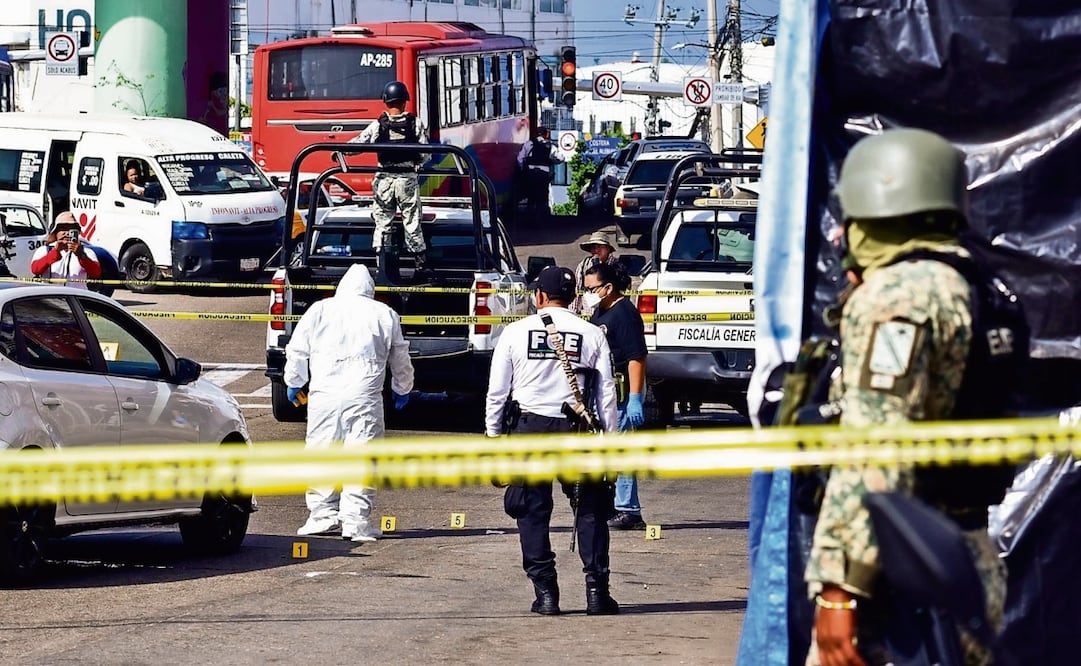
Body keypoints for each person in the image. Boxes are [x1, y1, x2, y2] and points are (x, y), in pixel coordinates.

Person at [804, 128, 1008, 666]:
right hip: (967, 559)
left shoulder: (898, 295)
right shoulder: (976, 281)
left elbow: (875, 450)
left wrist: (839, 587)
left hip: (897, 577)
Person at [485, 265, 620, 616]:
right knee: (590, 512)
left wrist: (494, 438)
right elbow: (607, 397)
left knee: (531, 512)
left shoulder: (515, 333)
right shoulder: (592, 334)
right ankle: (596, 593)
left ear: (539, 297)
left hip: (530, 431)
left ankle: (546, 594)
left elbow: (497, 393)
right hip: (577, 431)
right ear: (575, 296)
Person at [285, 263, 415, 542]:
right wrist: (402, 388)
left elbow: (297, 348)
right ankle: (355, 522)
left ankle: (321, 516)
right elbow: (400, 357)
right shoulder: (384, 314)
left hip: (324, 395)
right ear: (370, 290)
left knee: (321, 452)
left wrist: (294, 381)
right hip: (364, 396)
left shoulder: (320, 310)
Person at [584, 262, 649, 530]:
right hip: (605, 390)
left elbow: (636, 357)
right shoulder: (601, 310)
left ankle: (629, 510)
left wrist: (635, 396)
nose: (587, 293)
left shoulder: (625, 314)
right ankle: (611, 503)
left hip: (623, 391)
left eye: (592, 288)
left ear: (608, 287)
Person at [349, 80, 429, 268]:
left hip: (384, 179)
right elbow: (426, 152)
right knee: (412, 220)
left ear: (385, 102)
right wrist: (416, 162)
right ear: (404, 102)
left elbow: (359, 143)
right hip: (407, 178)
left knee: (382, 220)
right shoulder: (415, 123)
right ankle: (419, 260)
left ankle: (382, 260)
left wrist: (340, 152)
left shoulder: (378, 124)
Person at [30, 211, 101, 289]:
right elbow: (35, 269)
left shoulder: (87, 251)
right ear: (56, 232)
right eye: (63, 229)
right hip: (51, 298)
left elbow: (96, 273)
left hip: (76, 299)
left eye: (70, 230)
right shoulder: (44, 250)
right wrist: (55, 253)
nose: (67, 233)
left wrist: (81, 255)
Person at [516, 127, 563, 220]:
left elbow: (520, 159)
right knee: (543, 197)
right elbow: (560, 158)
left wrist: (523, 169)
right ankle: (541, 217)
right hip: (543, 174)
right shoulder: (550, 146)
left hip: (531, 174)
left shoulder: (529, 144)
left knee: (531, 196)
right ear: (546, 134)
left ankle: (529, 216)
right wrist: (552, 161)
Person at [571, 231, 620, 315]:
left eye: (600, 247)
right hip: (588, 314)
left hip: (611, 313)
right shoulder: (583, 265)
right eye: (593, 247)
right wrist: (573, 314)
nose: (596, 250)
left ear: (608, 249)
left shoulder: (618, 267)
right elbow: (577, 291)